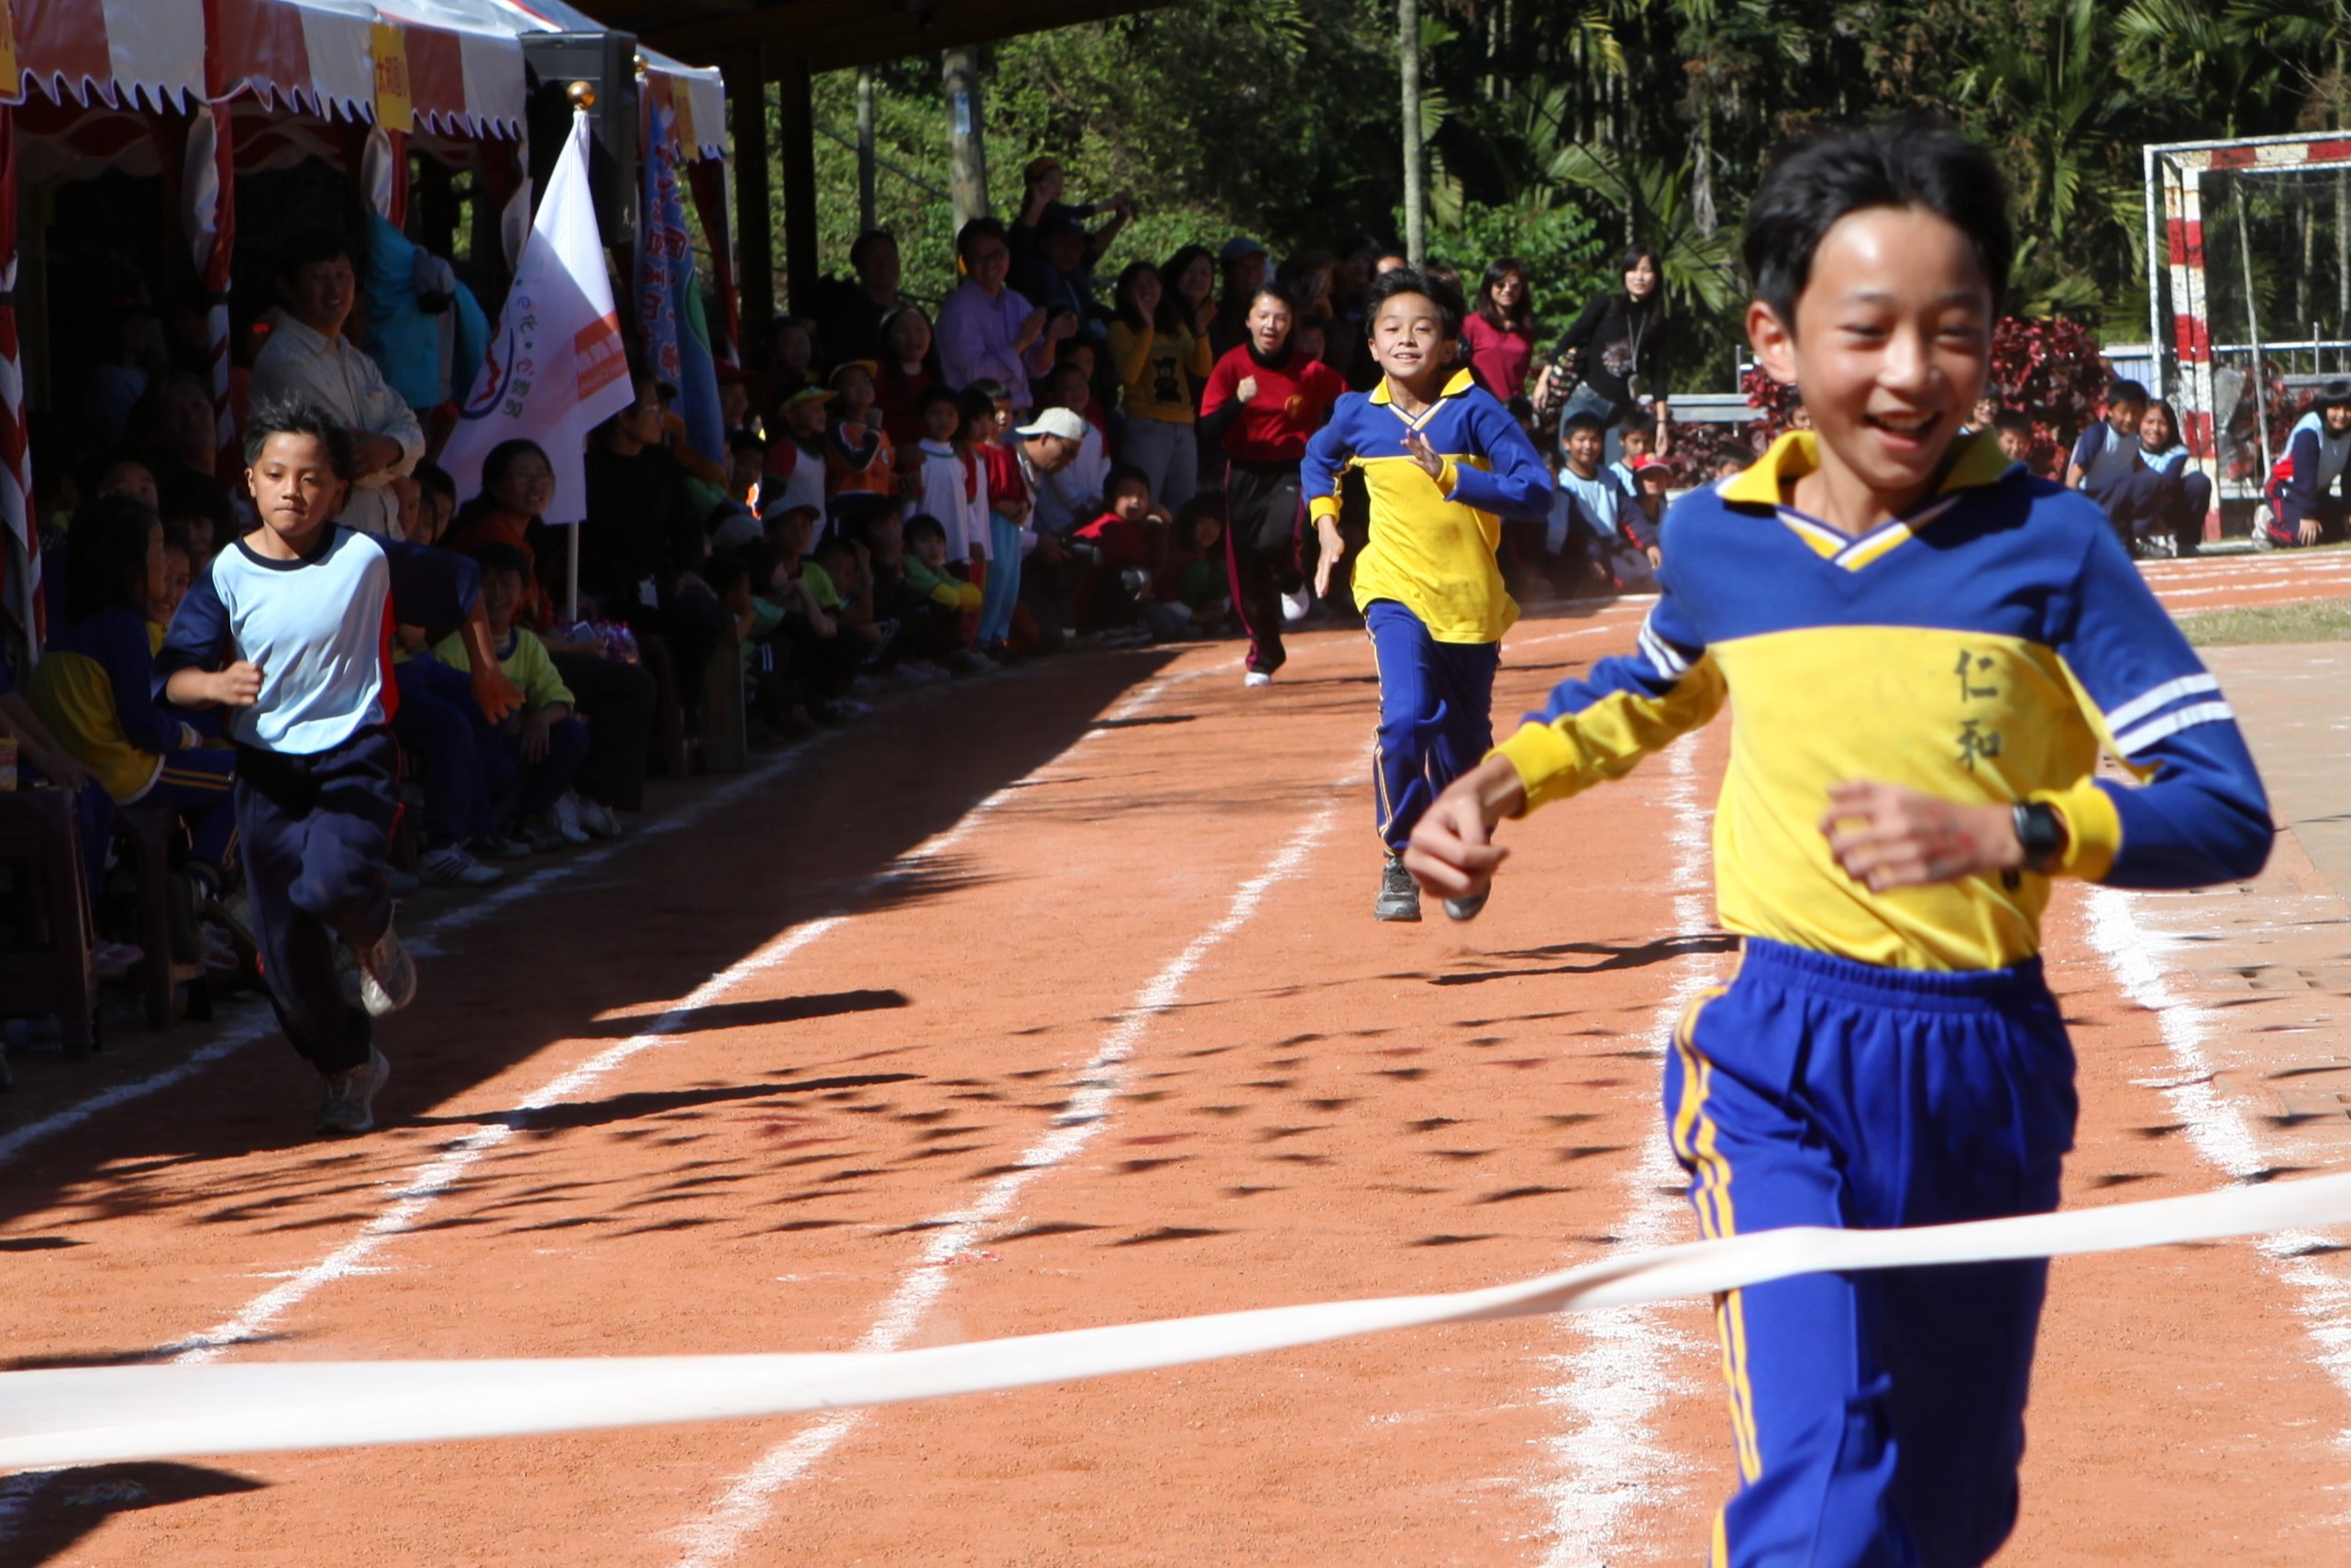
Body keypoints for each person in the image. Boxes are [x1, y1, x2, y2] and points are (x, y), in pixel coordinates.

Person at [1404, 119, 2271, 1568]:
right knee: (1822, 1500)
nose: (1911, 372)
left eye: (1955, 331)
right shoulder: (1720, 539)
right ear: (1776, 336)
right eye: (1867, 330)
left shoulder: (2052, 546)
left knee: (1945, 1512)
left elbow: (2224, 802)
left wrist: (2016, 828)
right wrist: (1492, 788)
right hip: (1779, 1059)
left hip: (1984, 1072)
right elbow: (1645, 686)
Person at [160, 396, 524, 1136]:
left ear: (337, 489)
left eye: (312, 477)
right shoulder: (228, 573)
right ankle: (347, 1070)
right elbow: (171, 674)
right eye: (276, 474)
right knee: (286, 959)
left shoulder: (366, 558)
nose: (293, 490)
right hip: (265, 775)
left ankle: (373, 935)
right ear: (251, 482)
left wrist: (486, 671)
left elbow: (461, 586)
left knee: (333, 878)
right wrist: (214, 685)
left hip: (351, 752)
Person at [1300, 267, 1551, 921]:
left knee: (1464, 744)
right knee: (1407, 718)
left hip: (1469, 602)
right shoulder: (1359, 413)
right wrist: (1327, 526)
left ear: (1447, 345)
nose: (1407, 339)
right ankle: (1403, 853)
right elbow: (1317, 460)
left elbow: (1536, 492)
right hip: (1393, 590)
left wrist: (1453, 479)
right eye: (1391, 329)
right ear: (1373, 346)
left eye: (1424, 328)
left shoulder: (1476, 411)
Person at [31, 494, 240, 911]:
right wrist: (185, 738)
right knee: (247, 779)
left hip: (83, 764)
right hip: (119, 770)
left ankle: (192, 907)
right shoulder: (123, 626)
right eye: (158, 552)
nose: (166, 566)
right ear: (129, 567)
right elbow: (142, 727)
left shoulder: (68, 618)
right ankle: (199, 888)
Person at [1199, 282, 1345, 684]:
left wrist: (1338, 445)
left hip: (1292, 469)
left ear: (1291, 324)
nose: (1271, 324)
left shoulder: (1308, 370)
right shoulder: (1230, 366)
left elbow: (1352, 403)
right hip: (1244, 471)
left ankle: (1292, 578)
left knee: (1276, 539)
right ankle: (1264, 653)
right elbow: (1208, 429)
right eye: (1263, 315)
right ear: (1248, 321)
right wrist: (1237, 402)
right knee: (1246, 569)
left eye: (1280, 317)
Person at [248, 229, 425, 539]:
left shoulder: (355, 360)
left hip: (379, 543)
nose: (335, 289)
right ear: (287, 287)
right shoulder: (285, 361)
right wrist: (397, 468)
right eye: (319, 277)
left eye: (343, 275)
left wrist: (393, 448)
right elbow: (341, 461)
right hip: (328, 552)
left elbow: (411, 428)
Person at [432, 544, 591, 849]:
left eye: (507, 585)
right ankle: (488, 829)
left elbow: (561, 699)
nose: (496, 595)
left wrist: (543, 717)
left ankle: (526, 818)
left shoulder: (529, 644)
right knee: (497, 769)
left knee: (572, 734)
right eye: (486, 585)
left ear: (523, 592)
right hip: (476, 755)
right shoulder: (449, 650)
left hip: (519, 747)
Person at [1536, 246, 1672, 462]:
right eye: (1633, 270)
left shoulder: (1655, 321)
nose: (1639, 277)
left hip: (1622, 409)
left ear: (1656, 276)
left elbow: (1659, 374)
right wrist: (1544, 379)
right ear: (1624, 274)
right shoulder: (1607, 305)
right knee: (1571, 467)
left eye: (1646, 270)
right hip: (1588, 399)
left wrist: (1662, 424)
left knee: (1617, 473)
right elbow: (1570, 337)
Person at [1108, 261, 1211, 513]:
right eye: (1138, 285)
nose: (1147, 289)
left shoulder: (1175, 326)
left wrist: (1200, 332)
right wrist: (1148, 329)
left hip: (1184, 426)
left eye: (1152, 283)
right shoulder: (1120, 328)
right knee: (1144, 505)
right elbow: (1129, 375)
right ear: (1125, 293)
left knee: (1184, 509)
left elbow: (1202, 368)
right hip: (1146, 426)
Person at [936, 217, 1070, 413]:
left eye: (997, 255)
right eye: (980, 258)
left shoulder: (1016, 302)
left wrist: (1052, 338)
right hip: (977, 422)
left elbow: (1037, 367)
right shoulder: (959, 309)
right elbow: (977, 375)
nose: (990, 264)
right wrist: (1022, 341)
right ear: (965, 262)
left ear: (1008, 255)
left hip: (1017, 416)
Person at [2101, 398, 2212, 558]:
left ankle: (2186, 543)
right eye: (2150, 422)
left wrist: (2158, 517)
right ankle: (2133, 541)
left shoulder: (2178, 452)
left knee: (2199, 481)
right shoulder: (2128, 448)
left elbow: (2169, 484)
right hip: (2134, 510)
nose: (2155, 429)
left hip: (2165, 508)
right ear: (2139, 423)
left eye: (2162, 423)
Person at [2261, 378, 2351, 547]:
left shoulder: (2349, 433)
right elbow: (2304, 476)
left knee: (2340, 532)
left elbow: (2349, 476)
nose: (2342, 415)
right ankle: (2267, 523)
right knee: (2301, 538)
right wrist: (2307, 515)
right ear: (2324, 409)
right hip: (2286, 490)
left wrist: (2348, 510)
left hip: (2317, 494)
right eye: (2336, 408)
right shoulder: (2309, 431)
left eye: (2348, 409)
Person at [1462, 258, 1539, 404]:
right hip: (1480, 404)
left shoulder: (1526, 331)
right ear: (1489, 287)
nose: (1507, 290)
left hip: (1513, 407)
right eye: (1500, 284)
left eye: (1515, 285)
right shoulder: (1472, 324)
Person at [2064, 378, 2147, 503]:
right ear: (2110, 410)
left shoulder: (2134, 438)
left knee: (2151, 481)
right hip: (2092, 497)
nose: (2129, 419)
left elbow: (2138, 463)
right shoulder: (2097, 434)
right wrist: (2069, 505)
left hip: (2118, 496)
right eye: (2123, 412)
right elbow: (2074, 477)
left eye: (2136, 413)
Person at [873, 304, 941, 449]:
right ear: (888, 336)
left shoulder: (936, 377)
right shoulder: (877, 373)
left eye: (920, 330)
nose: (913, 337)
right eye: (903, 331)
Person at [1209, 237, 1271, 359]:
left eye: (1256, 266)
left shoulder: (1272, 314)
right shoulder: (1213, 316)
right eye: (1244, 266)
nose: (1251, 273)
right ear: (1228, 272)